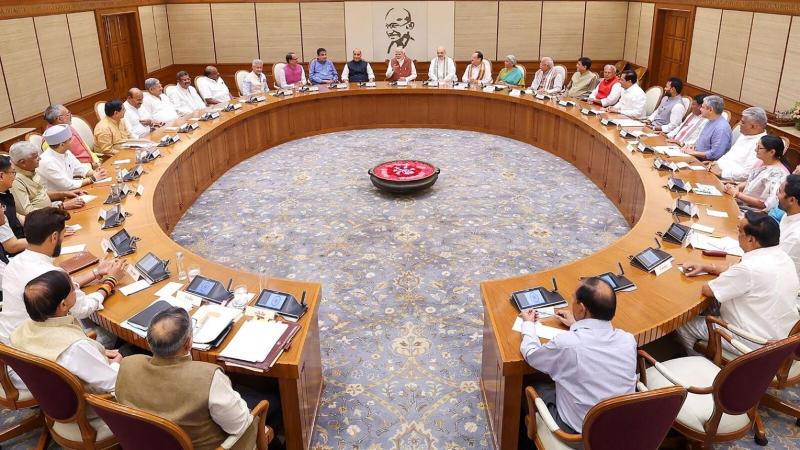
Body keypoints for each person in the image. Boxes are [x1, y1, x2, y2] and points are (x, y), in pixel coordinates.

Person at [116, 307, 271, 450]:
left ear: (149, 343)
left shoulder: (128, 364)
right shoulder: (208, 378)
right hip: (214, 445)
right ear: (189, 342)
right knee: (270, 404)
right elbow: (239, 425)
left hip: (148, 443)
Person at [520, 277, 637, 433]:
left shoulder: (567, 344)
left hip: (580, 434)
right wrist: (577, 324)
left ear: (582, 309)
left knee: (532, 384)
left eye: (573, 298)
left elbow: (531, 354)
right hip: (623, 428)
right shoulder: (628, 340)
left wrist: (528, 324)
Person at [0, 207, 127, 348]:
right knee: (111, 333)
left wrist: (96, 272)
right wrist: (111, 280)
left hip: (10, 343)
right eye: (63, 233)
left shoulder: (15, 263)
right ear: (54, 237)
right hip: (39, 349)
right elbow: (84, 308)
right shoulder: (50, 273)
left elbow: (60, 288)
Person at [679, 211, 800, 354]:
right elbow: (738, 273)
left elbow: (708, 290)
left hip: (753, 342)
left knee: (683, 324)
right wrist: (707, 267)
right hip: (782, 338)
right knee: (712, 306)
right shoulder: (783, 257)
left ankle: (695, 358)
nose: (737, 234)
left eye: (740, 231)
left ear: (751, 240)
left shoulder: (749, 268)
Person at [10, 270, 121, 393]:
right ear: (63, 305)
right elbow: (114, 384)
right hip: (92, 396)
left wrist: (94, 353)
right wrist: (117, 362)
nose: (76, 289)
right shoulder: (76, 346)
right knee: (128, 351)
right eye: (73, 289)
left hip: (47, 389)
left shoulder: (22, 328)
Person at [9, 142, 85, 214]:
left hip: (51, 210)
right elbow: (28, 212)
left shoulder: (30, 169)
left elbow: (42, 195)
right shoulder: (14, 180)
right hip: (42, 219)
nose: (40, 158)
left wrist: (65, 194)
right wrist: (62, 206)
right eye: (35, 157)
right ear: (22, 162)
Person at [722, 135, 789, 211]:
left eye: (759, 148)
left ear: (772, 152)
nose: (755, 150)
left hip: (753, 212)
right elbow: (751, 181)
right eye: (756, 146)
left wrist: (737, 194)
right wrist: (736, 187)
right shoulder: (761, 161)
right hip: (741, 203)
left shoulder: (779, 175)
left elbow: (766, 204)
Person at [38, 125, 107, 193]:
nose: (73, 141)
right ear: (62, 145)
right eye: (70, 139)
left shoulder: (66, 152)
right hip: (59, 198)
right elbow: (67, 185)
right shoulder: (46, 162)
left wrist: (95, 173)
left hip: (71, 192)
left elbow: (79, 168)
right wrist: (93, 178)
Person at [706, 107, 768, 181]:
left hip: (728, 181)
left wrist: (722, 173)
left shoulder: (762, 145)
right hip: (716, 172)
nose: (739, 124)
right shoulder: (745, 134)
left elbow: (747, 174)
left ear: (753, 126)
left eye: (743, 122)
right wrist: (715, 163)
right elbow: (729, 156)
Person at [0, 156, 27, 289]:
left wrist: (45, 226)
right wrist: (43, 239)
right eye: (13, 173)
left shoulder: (5, 193)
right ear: (1, 176)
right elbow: (12, 246)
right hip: (13, 257)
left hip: (22, 246)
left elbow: (16, 216)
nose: (14, 177)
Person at [683, 95, 732, 161]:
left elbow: (715, 154)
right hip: (696, 156)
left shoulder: (722, 128)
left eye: (703, 107)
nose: (700, 109)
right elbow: (703, 142)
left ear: (710, 110)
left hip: (705, 162)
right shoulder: (710, 121)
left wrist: (694, 153)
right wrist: (693, 146)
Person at [777, 175, 800, 279]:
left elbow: (779, 268)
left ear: (791, 200)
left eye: (780, 191)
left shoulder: (796, 236)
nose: (777, 195)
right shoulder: (790, 214)